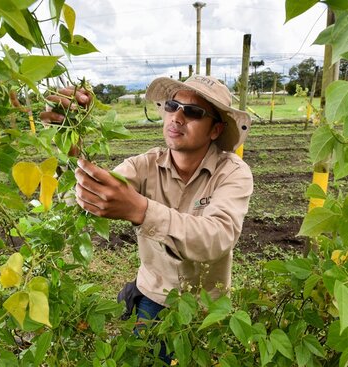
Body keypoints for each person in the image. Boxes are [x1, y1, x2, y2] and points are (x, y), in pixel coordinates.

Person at [43, 74, 253, 362]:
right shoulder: (144, 165)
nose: (177, 117)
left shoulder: (232, 172)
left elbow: (218, 237)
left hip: (208, 307)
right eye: (172, 105)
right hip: (153, 296)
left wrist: (140, 210)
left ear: (215, 130)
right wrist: (69, 142)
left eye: (193, 112)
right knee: (145, 359)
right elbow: (83, 198)